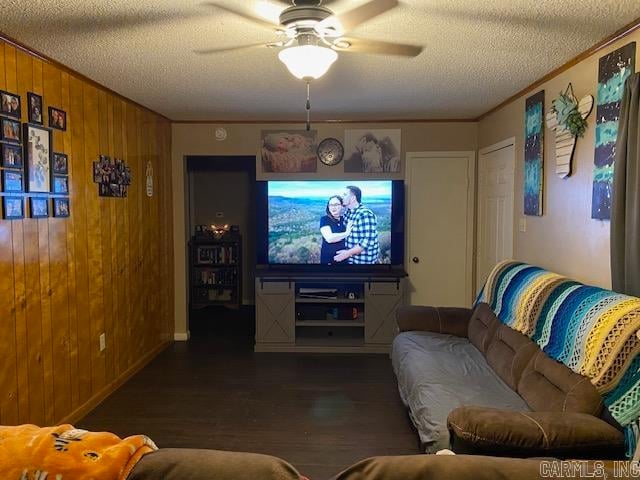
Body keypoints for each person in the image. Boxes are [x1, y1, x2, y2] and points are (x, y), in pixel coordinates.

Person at [334, 185, 380, 264]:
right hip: (351, 260)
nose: (341, 197)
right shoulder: (348, 212)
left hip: (363, 262)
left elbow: (367, 241)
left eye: (345, 195)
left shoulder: (364, 214)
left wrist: (347, 253)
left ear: (353, 198)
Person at [319, 195, 352, 265]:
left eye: (336, 204)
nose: (333, 207)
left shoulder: (344, 219)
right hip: (329, 261)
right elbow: (329, 238)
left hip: (344, 259)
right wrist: (346, 233)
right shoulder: (325, 219)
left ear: (341, 206)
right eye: (331, 205)